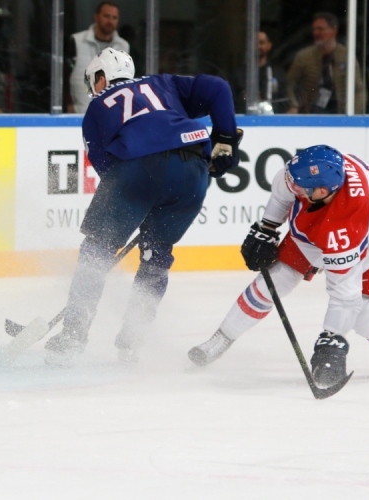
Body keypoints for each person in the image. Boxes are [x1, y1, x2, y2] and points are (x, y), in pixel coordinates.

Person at [43, 48, 241, 366]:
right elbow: (218, 87)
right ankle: (131, 342)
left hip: (138, 171)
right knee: (155, 256)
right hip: (193, 173)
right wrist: (226, 138)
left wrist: (140, 198)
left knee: (96, 251)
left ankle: (72, 338)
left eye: (93, 82)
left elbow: (107, 170)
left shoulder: (96, 107)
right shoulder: (165, 83)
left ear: (101, 76)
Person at [188, 145, 369, 385]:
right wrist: (267, 229)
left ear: (322, 191)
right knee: (277, 277)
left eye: (299, 187)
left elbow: (345, 295)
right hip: (336, 214)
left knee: (363, 313)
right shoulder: (306, 173)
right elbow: (282, 192)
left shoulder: (345, 225)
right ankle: (222, 338)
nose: (292, 186)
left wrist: (332, 339)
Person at [286, 12, 363, 114]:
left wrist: (354, 114)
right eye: (314, 29)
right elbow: (289, 83)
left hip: (340, 114)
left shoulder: (346, 56)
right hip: (310, 114)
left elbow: (358, 89)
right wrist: (294, 105)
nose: (316, 33)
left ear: (334, 31)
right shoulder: (304, 56)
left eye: (320, 29)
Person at [65, 2, 129, 114]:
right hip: (79, 114)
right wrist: (66, 105)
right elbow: (63, 76)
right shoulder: (77, 41)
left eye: (114, 18)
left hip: (110, 116)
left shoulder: (123, 46)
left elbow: (126, 82)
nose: (110, 21)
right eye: (106, 16)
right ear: (96, 17)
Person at [231, 31, 288, 114]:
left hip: (274, 122)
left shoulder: (277, 73)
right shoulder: (239, 74)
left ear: (269, 46)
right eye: (255, 43)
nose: (258, 46)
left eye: (262, 43)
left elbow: (284, 100)